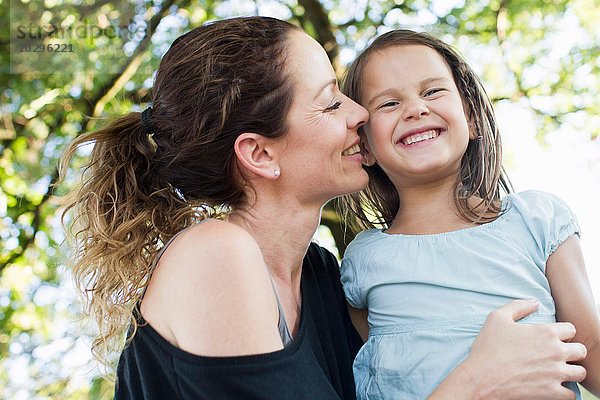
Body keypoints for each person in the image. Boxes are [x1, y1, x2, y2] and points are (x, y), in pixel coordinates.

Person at [59, 17, 588, 399]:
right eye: (332, 101)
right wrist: (478, 382)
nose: (360, 114)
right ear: (260, 153)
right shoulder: (215, 256)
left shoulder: (321, 277)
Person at [340, 29, 600, 400]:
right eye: (388, 104)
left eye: (432, 92)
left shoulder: (535, 220)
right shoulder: (363, 259)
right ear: (364, 146)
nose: (416, 108)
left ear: (473, 118)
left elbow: (589, 344)